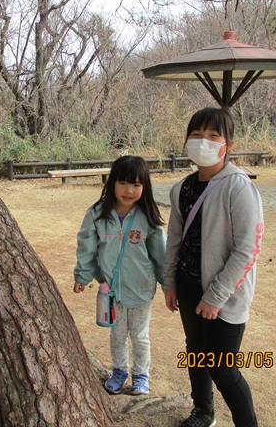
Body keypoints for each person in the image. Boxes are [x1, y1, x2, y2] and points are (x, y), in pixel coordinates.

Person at [164, 107, 263, 427]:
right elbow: (174, 240)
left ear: (228, 144)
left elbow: (247, 249)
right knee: (196, 352)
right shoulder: (181, 188)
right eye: (196, 136)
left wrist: (216, 296)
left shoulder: (238, 186)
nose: (203, 142)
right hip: (189, 287)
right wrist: (170, 283)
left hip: (224, 294)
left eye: (212, 136)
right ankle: (203, 412)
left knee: (222, 367)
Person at [73, 156, 166, 395]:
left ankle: (141, 375)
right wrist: (83, 275)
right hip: (111, 290)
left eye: (136, 184)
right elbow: (87, 247)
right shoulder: (96, 214)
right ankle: (119, 371)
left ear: (144, 187)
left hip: (141, 289)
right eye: (123, 183)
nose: (129, 190)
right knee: (117, 334)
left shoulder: (148, 217)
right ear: (112, 182)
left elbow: (161, 254)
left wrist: (169, 284)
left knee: (139, 335)